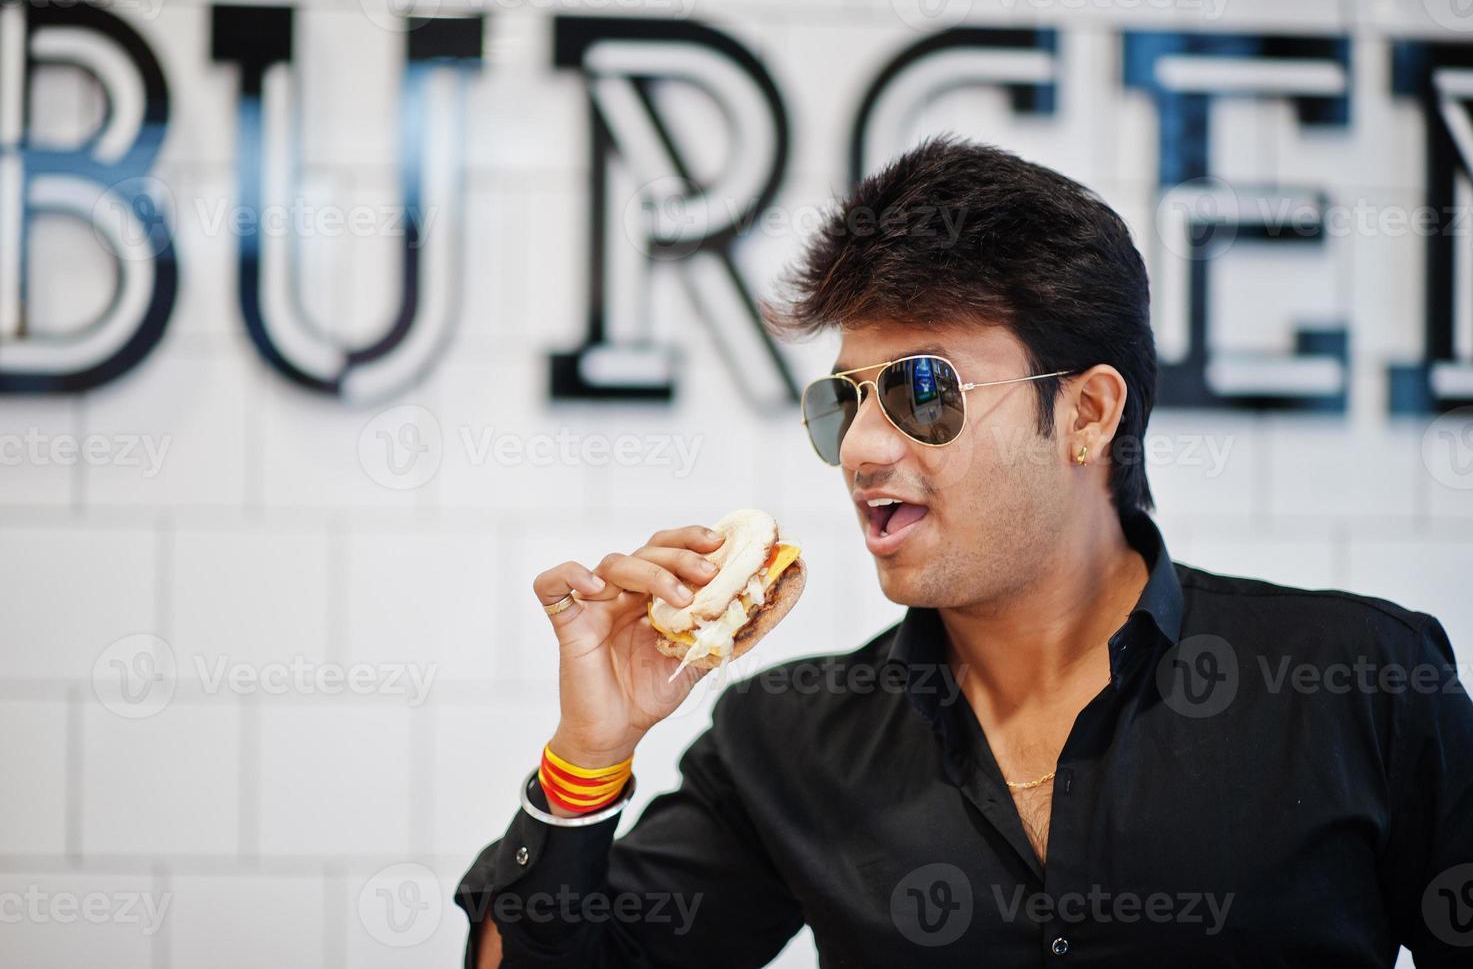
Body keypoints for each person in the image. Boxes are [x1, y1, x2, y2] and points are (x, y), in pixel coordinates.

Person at [455, 136, 1473, 966]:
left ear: (1086, 413)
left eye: (924, 391)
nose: (861, 447)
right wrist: (590, 751)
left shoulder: (1358, 684)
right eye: (843, 400)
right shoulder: (788, 738)